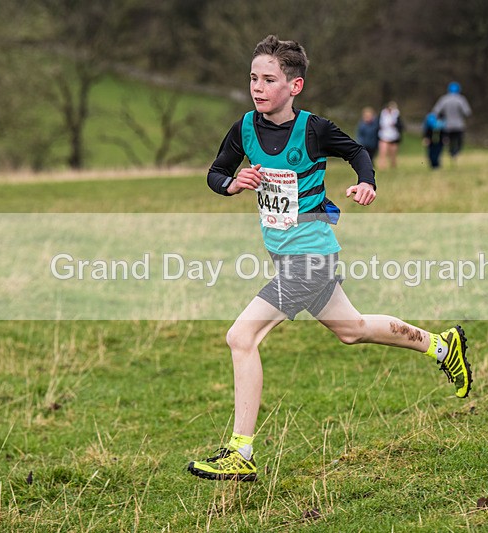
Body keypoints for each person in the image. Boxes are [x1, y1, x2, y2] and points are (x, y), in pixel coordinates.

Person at [191, 35, 472, 482]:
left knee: (240, 337)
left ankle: (240, 451)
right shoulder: (244, 128)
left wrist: (367, 182)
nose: (257, 87)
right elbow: (216, 171)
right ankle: (441, 345)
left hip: (312, 257)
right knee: (352, 330)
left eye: (268, 79)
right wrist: (232, 183)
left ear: (294, 86)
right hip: (286, 259)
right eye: (252, 78)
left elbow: (358, 152)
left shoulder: (315, 129)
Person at [431, 82, 472, 161]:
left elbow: (435, 111)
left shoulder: (444, 99)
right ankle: (456, 152)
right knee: (458, 140)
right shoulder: (461, 99)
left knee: (448, 140)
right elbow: (467, 112)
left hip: (447, 125)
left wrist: (439, 118)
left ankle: (450, 152)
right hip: (459, 125)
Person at [376, 101, 403, 169]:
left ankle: (393, 166)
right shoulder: (382, 114)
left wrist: (395, 125)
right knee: (383, 152)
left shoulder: (397, 115)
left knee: (393, 154)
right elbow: (377, 124)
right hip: (383, 136)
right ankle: (382, 166)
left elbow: (401, 126)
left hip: (394, 137)